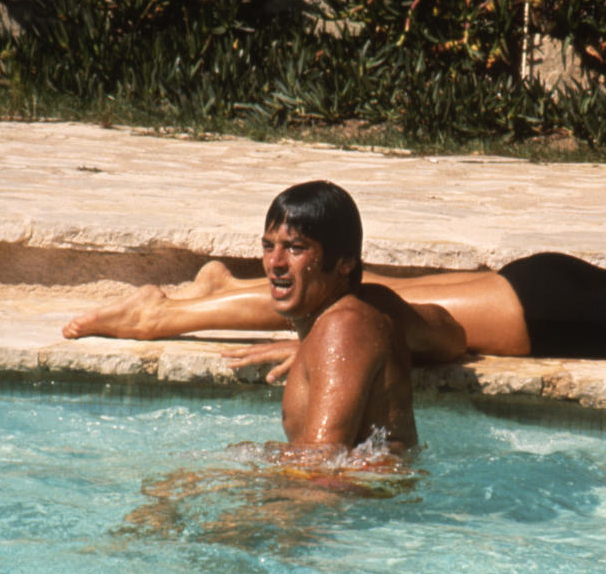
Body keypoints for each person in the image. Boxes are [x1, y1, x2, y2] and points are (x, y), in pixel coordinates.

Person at [63, 119, 606, 384]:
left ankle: (222, 284)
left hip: (564, 291)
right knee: (373, 310)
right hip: (548, 311)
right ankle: (156, 316)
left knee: (376, 284)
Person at [177, 180, 464, 453]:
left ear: (345, 262)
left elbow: (321, 470)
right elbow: (453, 337)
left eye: (295, 248)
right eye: (268, 246)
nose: (275, 263)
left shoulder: (343, 327)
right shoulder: (367, 310)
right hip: (370, 493)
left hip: (362, 499)